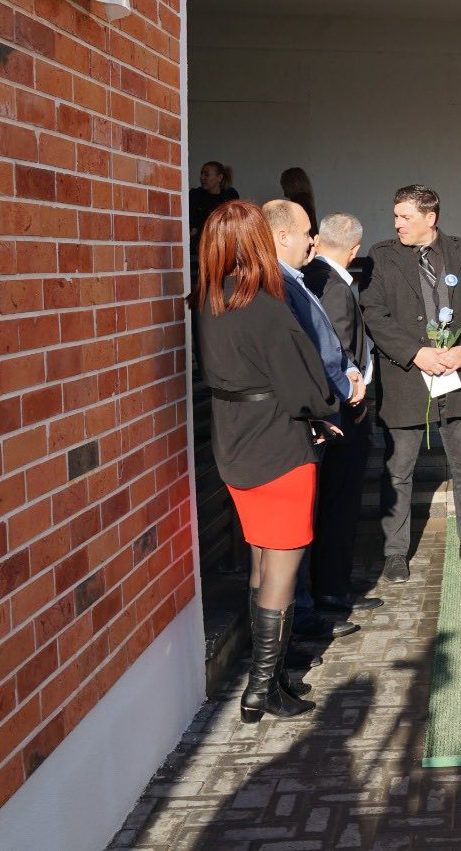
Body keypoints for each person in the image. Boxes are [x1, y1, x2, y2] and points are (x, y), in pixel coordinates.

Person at [195, 200, 338, 722]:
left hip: (233, 442)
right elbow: (304, 382)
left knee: (261, 556)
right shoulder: (265, 305)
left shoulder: (208, 301)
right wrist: (326, 411)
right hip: (278, 443)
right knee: (282, 563)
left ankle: (271, 677)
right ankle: (261, 688)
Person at [363, 184, 461, 578]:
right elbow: (373, 313)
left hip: (458, 375)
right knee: (398, 469)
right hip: (406, 377)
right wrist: (415, 353)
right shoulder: (382, 256)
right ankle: (395, 553)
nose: (397, 224)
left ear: (431, 217)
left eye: (405, 217)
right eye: (395, 216)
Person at [264, 198, 366, 645]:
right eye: (307, 232)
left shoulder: (297, 280)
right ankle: (300, 617)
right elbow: (310, 353)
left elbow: (330, 347)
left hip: (321, 412)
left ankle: (303, 612)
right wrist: (343, 388)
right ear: (283, 235)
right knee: (294, 530)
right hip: (307, 420)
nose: (313, 241)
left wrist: (349, 371)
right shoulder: (282, 286)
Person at [302, 213, 383, 616]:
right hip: (343, 413)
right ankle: (333, 590)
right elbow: (335, 353)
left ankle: (329, 586)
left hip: (329, 412)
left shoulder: (310, 275)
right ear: (354, 251)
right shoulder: (333, 286)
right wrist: (354, 396)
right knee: (340, 503)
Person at [190, 160, 238, 252]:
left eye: (206, 175)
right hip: (199, 248)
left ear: (219, 178)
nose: (202, 178)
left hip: (224, 246)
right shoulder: (195, 195)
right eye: (201, 174)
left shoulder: (230, 195)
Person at [279, 166, 318, 238]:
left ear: (292, 184)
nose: (283, 188)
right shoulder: (305, 199)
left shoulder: (299, 202)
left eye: (284, 184)